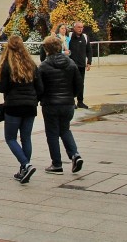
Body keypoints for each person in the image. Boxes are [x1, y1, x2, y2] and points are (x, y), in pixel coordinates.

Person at [36, 35, 83, 175]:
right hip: (68, 104)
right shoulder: (71, 63)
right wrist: (71, 96)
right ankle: (75, 154)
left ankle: (57, 164)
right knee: (65, 130)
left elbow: (39, 88)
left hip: (50, 104)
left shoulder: (43, 66)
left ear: (46, 49)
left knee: (52, 134)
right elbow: (79, 84)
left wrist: (41, 98)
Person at [0, 35, 40, 184]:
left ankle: (26, 165)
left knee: (10, 138)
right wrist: (34, 99)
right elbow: (40, 87)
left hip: (13, 107)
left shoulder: (6, 65)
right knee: (26, 137)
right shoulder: (31, 65)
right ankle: (24, 169)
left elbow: (1, 87)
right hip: (30, 107)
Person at [67, 21, 92, 109]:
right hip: (71, 65)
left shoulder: (85, 37)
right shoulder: (69, 36)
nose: (80, 29)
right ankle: (71, 101)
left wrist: (89, 62)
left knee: (80, 83)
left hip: (81, 65)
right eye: (78, 27)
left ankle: (80, 102)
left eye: (81, 27)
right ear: (74, 28)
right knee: (71, 83)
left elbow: (89, 50)